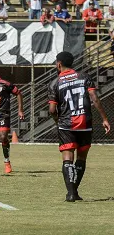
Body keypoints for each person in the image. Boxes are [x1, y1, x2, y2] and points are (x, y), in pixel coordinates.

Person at [49, 51, 110, 202]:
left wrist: (58, 122)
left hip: (66, 125)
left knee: (67, 159)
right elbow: (95, 98)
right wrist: (104, 119)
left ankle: (70, 194)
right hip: (85, 123)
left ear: (59, 64)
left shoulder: (54, 83)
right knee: (81, 158)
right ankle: (74, 191)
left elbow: (51, 110)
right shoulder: (84, 77)